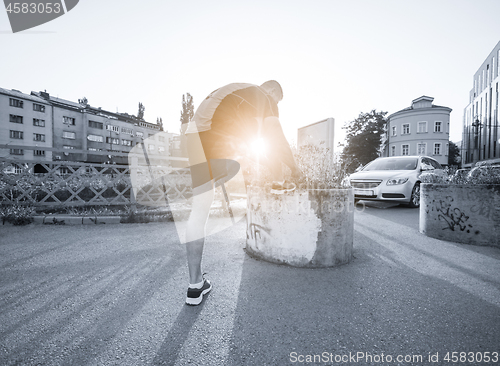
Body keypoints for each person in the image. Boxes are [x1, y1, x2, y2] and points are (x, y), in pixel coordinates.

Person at [183, 80, 301, 305]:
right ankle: (277, 181)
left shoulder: (238, 93)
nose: (276, 106)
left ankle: (195, 286)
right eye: (278, 101)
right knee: (268, 140)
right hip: (215, 135)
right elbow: (275, 134)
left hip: (194, 136)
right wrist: (295, 169)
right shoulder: (264, 96)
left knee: (199, 209)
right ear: (273, 92)